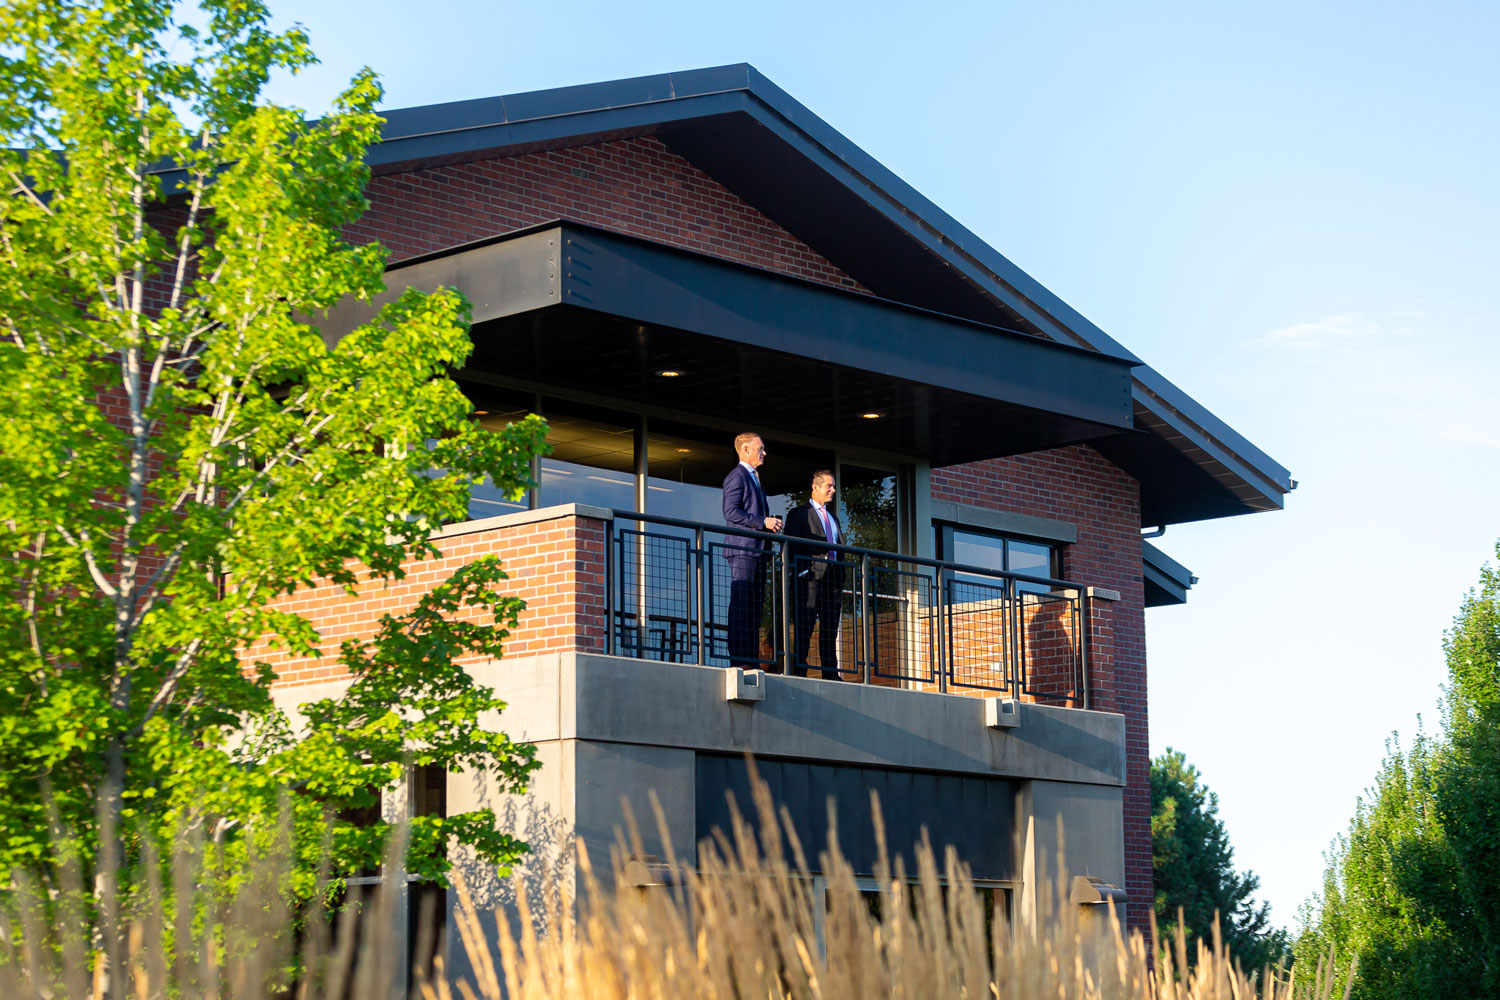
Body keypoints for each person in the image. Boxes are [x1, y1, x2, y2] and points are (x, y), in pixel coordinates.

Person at [721, 432, 782, 669]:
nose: (764, 452)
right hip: (743, 550)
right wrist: (762, 522)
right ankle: (740, 659)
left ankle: (750, 658)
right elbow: (730, 512)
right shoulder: (736, 477)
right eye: (761, 448)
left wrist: (768, 526)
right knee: (742, 603)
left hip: (758, 550)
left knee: (754, 608)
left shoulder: (754, 478)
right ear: (745, 450)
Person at [783, 470, 845, 680]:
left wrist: (841, 574)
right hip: (809, 577)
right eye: (829, 486)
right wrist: (801, 571)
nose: (833, 490)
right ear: (815, 487)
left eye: (833, 486)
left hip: (833, 579)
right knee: (805, 623)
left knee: (830, 626)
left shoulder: (833, 517)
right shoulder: (800, 513)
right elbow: (791, 544)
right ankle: (800, 668)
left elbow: (838, 546)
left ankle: (830, 672)